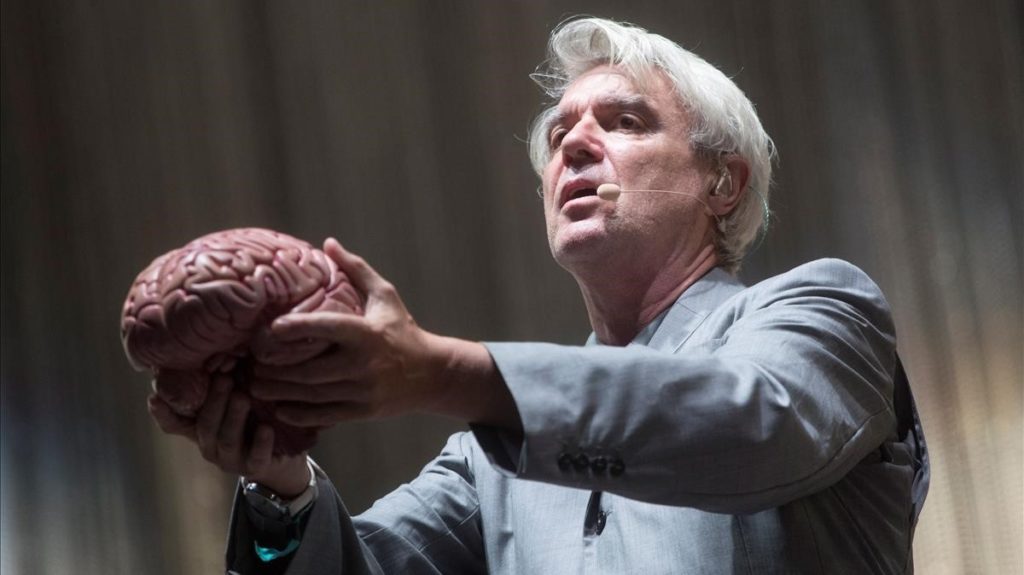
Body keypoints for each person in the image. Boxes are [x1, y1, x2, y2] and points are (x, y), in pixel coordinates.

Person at [149, 17, 929, 574]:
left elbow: (746, 423)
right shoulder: (487, 461)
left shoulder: (829, 313)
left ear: (723, 183)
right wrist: (280, 482)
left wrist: (438, 371)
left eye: (625, 121)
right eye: (558, 137)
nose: (574, 144)